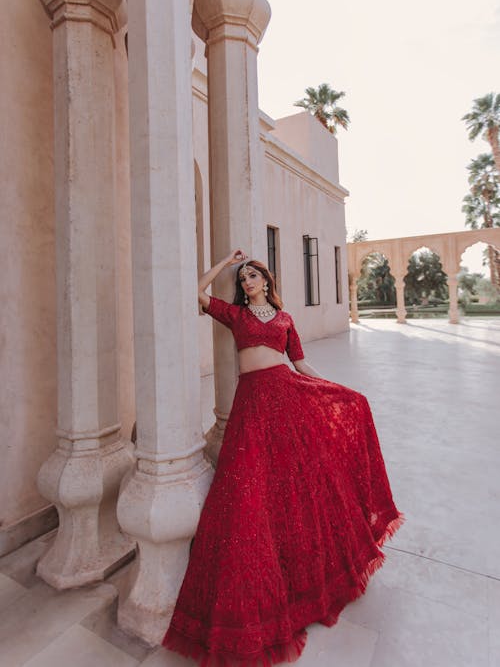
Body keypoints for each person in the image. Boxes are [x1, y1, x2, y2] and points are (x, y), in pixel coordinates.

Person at [162, 249, 404, 666]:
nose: (247, 282)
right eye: (243, 279)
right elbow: (194, 292)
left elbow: (301, 364)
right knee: (246, 490)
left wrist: (336, 391)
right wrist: (224, 262)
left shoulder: (285, 319)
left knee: (298, 484)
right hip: (253, 403)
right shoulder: (234, 316)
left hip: (286, 395)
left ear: (267, 282)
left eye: (252, 276)